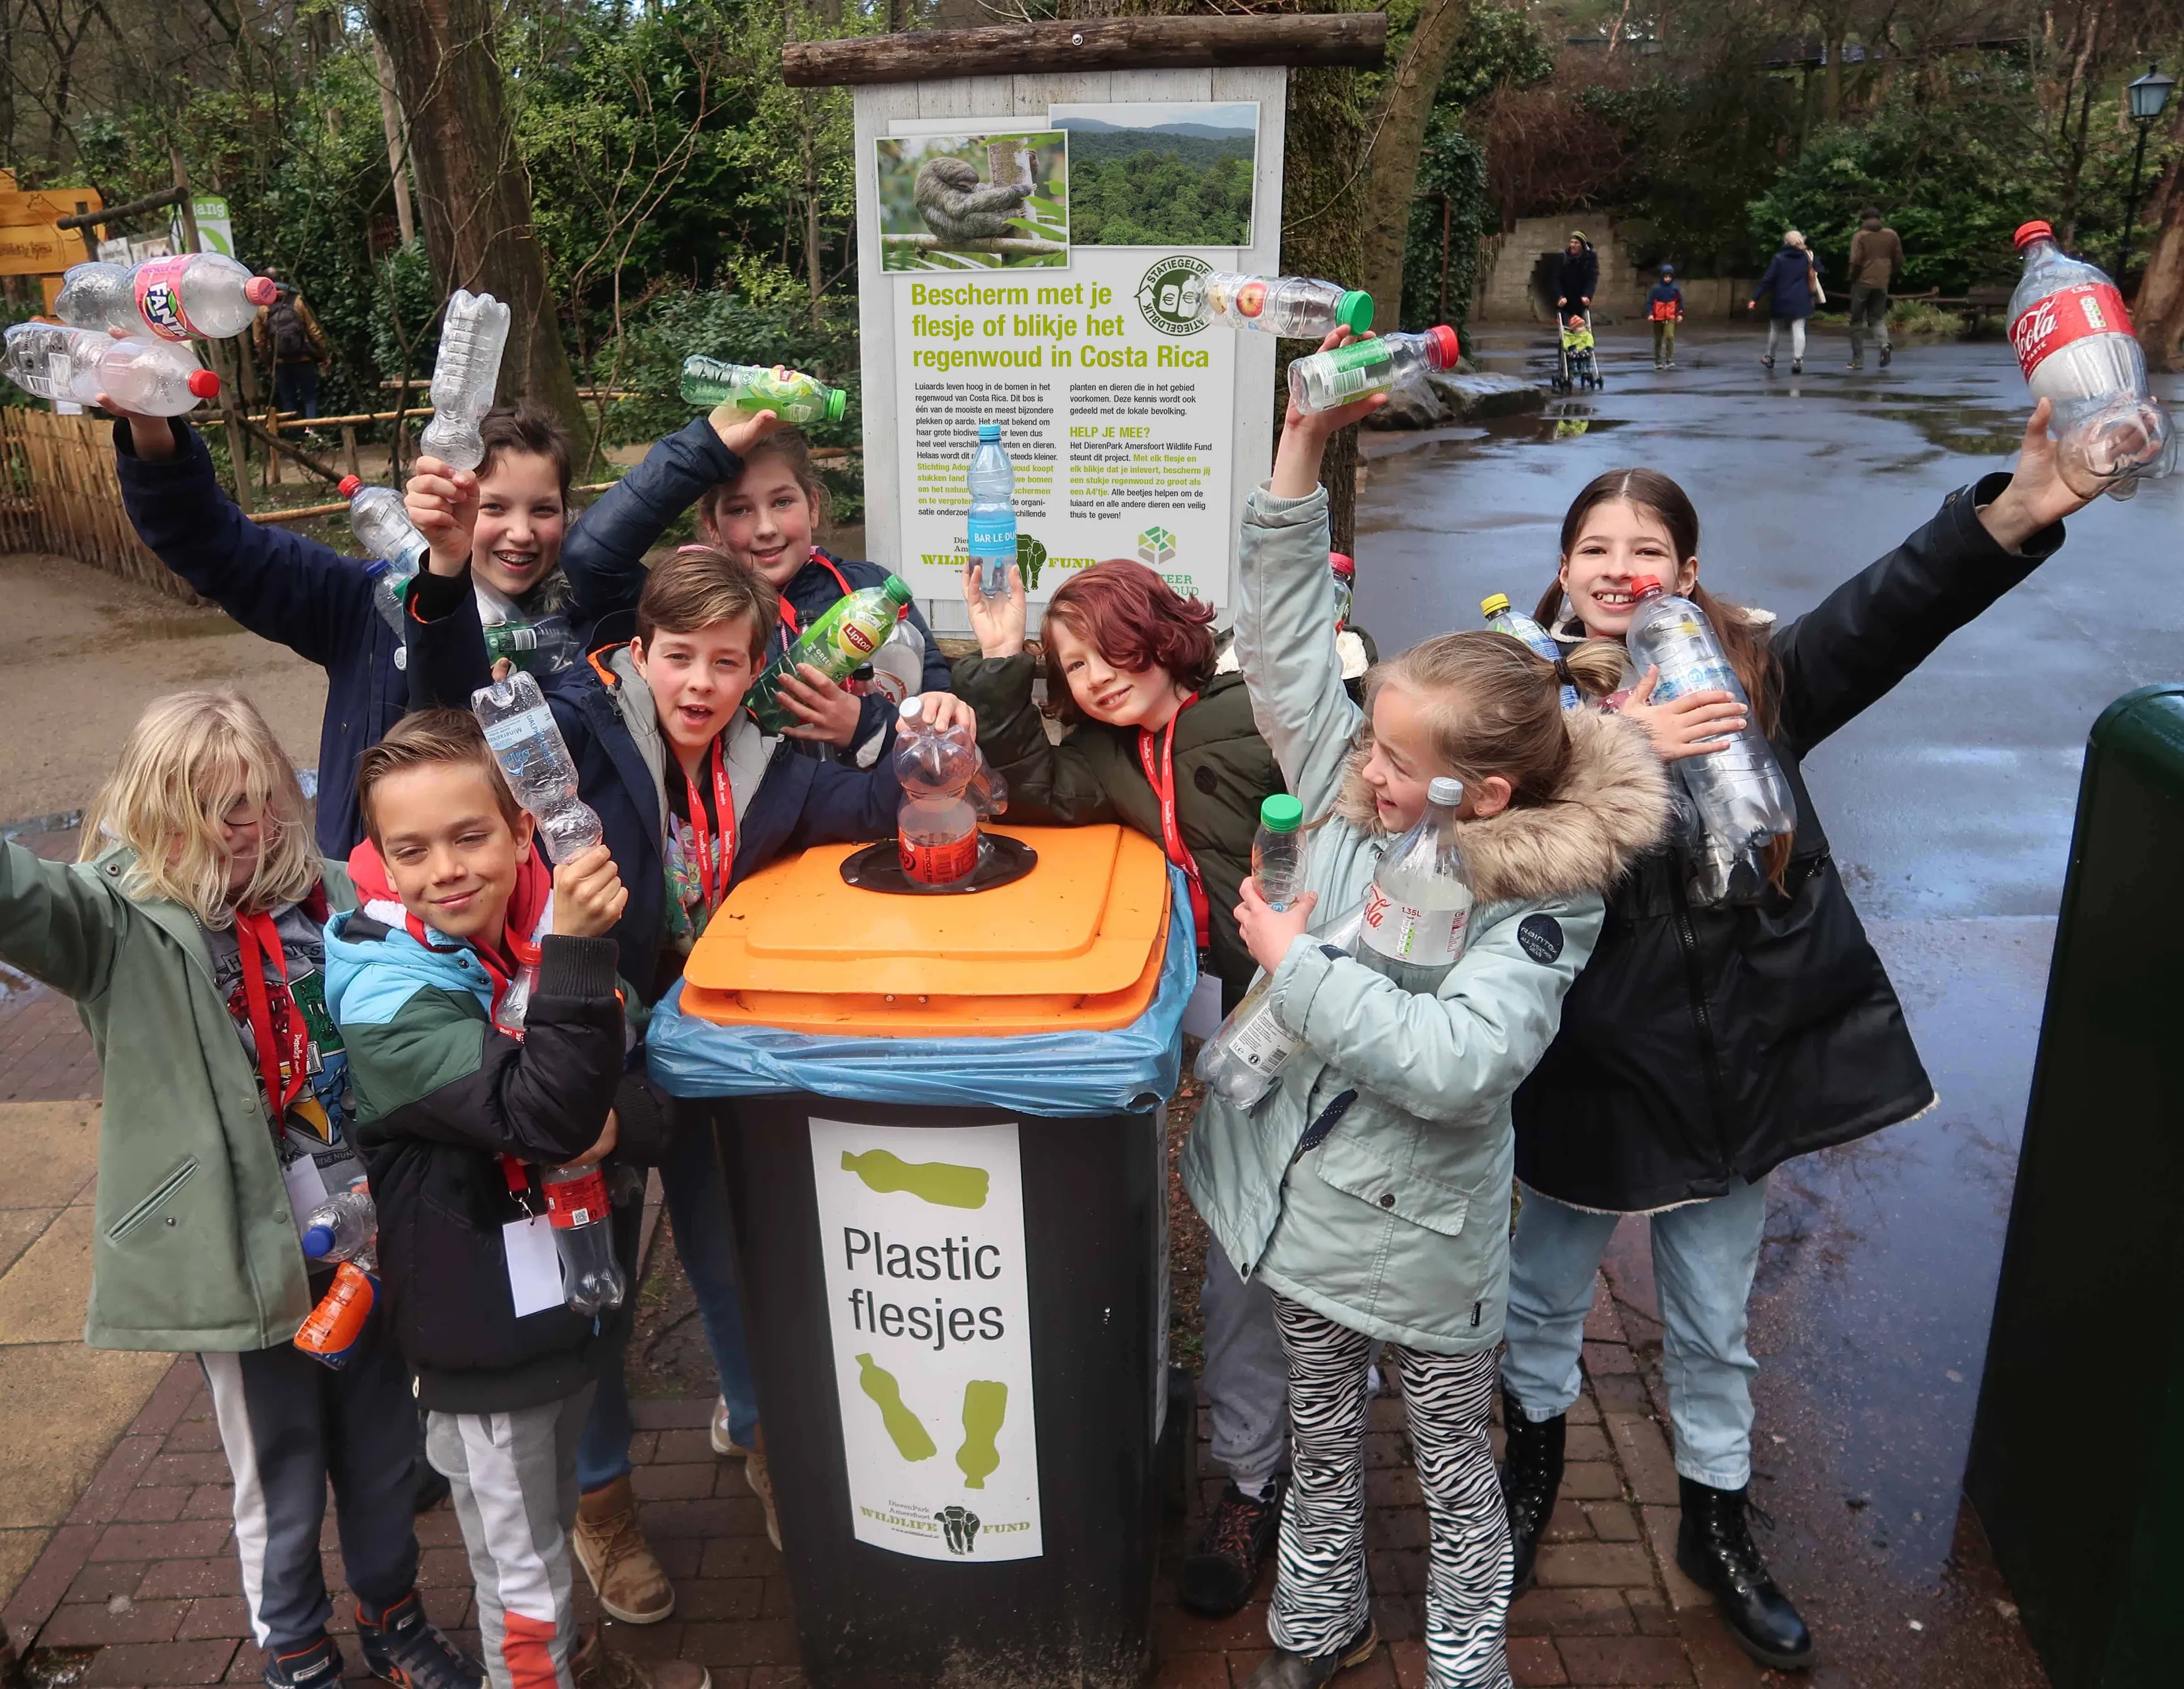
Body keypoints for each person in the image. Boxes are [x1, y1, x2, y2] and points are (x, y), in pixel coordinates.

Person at [1499, 409, 2105, 1673]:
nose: (1621, 568)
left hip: (1734, 1067)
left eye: (1648, 549)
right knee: (1543, 1294)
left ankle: (1715, 1525)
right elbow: (1465, 826)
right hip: (1583, 1067)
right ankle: (1529, 1476)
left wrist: (2016, 509)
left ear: (1689, 571)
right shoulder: (1517, 700)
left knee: (1714, 1320)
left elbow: (1891, 611)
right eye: (1597, 547)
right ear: (1563, 568)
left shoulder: (1754, 679)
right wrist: (1613, 743)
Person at [1190, 362, 1667, 1689]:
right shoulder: (1356, 794)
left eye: (1398, 760)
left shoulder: (1539, 897)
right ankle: (1318, 1622)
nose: (1365, 768)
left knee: (1455, 1463)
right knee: (1322, 1440)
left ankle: (1466, 1660)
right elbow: (1285, 638)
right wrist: (1299, 443)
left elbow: (1462, 1065)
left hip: (1421, 1243)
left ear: (1485, 793)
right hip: (1305, 1221)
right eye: (1371, 742)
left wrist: (1294, 966)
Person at [0, 682, 475, 1689]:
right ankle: (296, 1647)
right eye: (214, 810)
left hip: (368, 1236)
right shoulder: (114, 923)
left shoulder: (336, 894)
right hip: (246, 1255)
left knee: (384, 1450)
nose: (245, 829)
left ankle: (393, 1618)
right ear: (156, 809)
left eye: (259, 799)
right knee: (279, 1468)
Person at [400, 536, 972, 1625]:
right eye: (678, 656)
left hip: (707, 1057)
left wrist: (920, 730)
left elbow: (888, 805)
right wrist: (439, 581)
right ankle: (603, 1500)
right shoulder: (573, 730)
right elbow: (454, 718)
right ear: (638, 654)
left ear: (758, 667)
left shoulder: (772, 761)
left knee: (738, 1259)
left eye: (725, 661)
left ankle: (765, 1446)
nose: (700, 684)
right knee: (595, 1285)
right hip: (577, 1055)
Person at [327, 709, 709, 1689]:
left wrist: (615, 1121)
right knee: (524, 1579)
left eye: (470, 836)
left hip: (566, 1314)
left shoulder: (540, 926)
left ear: (521, 829)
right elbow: (541, 1115)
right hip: (483, 1348)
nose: (446, 870)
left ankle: (573, 1667)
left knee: (549, 1531)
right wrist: (577, 962)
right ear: (381, 858)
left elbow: (651, 1077)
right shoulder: (383, 989)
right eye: (412, 850)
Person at [953, 553, 1291, 1613]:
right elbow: (1026, 785)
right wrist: (1001, 658)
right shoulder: (1102, 755)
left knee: (1274, 1242)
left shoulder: (1251, 718)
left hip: (1296, 1008)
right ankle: (1217, 1462)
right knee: (1200, 1231)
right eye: (1073, 665)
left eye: (1112, 649)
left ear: (1164, 633)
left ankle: (1276, 1469)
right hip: (1202, 1015)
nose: (1096, 677)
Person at [108, 399, 779, 856]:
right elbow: (214, 546)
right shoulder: (363, 604)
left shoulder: (598, 617)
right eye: (493, 508)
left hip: (551, 914)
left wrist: (704, 448)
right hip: (388, 914)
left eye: (543, 509)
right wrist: (151, 424)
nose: (521, 533)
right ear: (445, 504)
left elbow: (615, 551)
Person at [695, 424, 953, 765]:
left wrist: (865, 725)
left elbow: (935, 706)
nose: (766, 528)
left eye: (782, 502)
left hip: (875, 790)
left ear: (813, 506)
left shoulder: (871, 590)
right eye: (740, 510)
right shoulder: (702, 608)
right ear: (712, 526)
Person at [254, 272, 334, 420]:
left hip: (280, 362)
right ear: (282, 280)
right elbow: (314, 332)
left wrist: (268, 362)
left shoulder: (263, 308)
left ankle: (294, 433)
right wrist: (324, 355)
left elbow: (259, 341)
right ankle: (311, 431)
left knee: (288, 400)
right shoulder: (297, 301)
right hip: (303, 358)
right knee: (309, 398)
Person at [1747, 230, 1821, 373]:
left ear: (1786, 242)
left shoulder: (1779, 258)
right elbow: (1820, 270)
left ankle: (1770, 357)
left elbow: (1768, 279)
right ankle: (1797, 360)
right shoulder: (1808, 257)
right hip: (1801, 298)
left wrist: (1755, 298)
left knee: (1775, 328)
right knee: (1799, 328)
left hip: (1781, 297)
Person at [1848, 208, 1904, 369]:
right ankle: (1884, 345)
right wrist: (1890, 274)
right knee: (1877, 318)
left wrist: (1852, 278)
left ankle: (1858, 360)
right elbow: (1899, 259)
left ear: (1863, 220)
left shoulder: (1860, 236)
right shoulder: (1892, 235)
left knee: (1857, 320)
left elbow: (1855, 261)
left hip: (1862, 281)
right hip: (1882, 282)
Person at [1645, 264, 1684, 371]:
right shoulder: (1656, 289)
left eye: (1670, 277)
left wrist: (1680, 314)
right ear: (1662, 277)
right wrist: (1650, 314)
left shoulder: (1675, 289)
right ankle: (1658, 361)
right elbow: (1650, 302)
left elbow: (1680, 301)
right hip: (1658, 317)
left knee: (1670, 337)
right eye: (1666, 277)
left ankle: (1669, 360)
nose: (1668, 279)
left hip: (1670, 317)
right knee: (1658, 340)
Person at [1553, 230, 1598, 321]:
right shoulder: (1563, 258)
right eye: (1572, 242)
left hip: (1581, 297)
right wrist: (1560, 296)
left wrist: (1587, 295)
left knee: (1580, 324)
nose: (1573, 245)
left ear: (1582, 245)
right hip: (1566, 297)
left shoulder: (1590, 258)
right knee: (1566, 323)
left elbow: (1592, 279)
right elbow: (1556, 279)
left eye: (1576, 243)